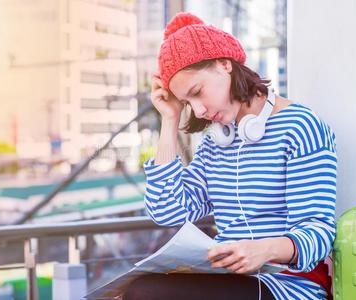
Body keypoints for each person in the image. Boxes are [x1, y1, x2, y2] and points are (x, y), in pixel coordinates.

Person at [124, 12, 337, 300]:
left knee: (146, 292)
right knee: (140, 289)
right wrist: (169, 119)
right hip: (232, 280)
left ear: (225, 65)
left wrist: (263, 249)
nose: (198, 111)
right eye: (187, 102)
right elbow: (167, 211)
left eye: (197, 92)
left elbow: (318, 232)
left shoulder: (300, 126)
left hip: (290, 285)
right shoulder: (216, 143)